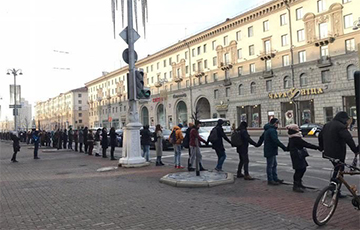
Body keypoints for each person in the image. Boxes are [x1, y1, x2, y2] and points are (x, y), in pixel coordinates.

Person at [319, 111, 359, 197]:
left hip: (328, 153)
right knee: (340, 171)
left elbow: (320, 136)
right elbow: (348, 139)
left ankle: (332, 187)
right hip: (338, 153)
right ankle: (335, 191)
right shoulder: (341, 127)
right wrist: (355, 149)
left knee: (337, 169)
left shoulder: (327, 125)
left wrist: (321, 147)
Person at [287, 124, 319, 193]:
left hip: (297, 155)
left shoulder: (292, 137)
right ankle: (296, 185)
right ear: (294, 130)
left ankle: (298, 183)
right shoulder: (295, 138)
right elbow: (305, 144)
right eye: (297, 128)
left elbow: (288, 147)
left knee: (302, 169)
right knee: (299, 170)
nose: (299, 129)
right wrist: (317, 147)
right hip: (297, 156)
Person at [259, 118, 287, 185]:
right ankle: (271, 180)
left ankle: (274, 178)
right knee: (271, 165)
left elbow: (261, 138)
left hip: (269, 149)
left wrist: (257, 144)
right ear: (275, 123)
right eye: (277, 123)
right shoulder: (272, 130)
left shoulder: (267, 129)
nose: (278, 125)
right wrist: (284, 147)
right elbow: (275, 140)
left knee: (273, 165)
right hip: (271, 149)